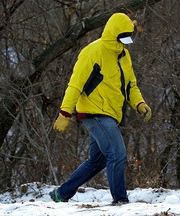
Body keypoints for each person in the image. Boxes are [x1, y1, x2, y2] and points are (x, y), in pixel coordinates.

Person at [49, 12, 152, 205]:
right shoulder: (93, 52)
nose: (127, 41)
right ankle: (120, 200)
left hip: (111, 114)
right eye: (124, 37)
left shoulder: (124, 55)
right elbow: (75, 84)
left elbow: (130, 85)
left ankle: (61, 194)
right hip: (94, 112)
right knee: (117, 152)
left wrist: (140, 104)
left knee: (98, 160)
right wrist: (65, 113)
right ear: (114, 33)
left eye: (129, 37)